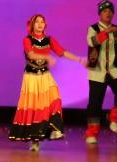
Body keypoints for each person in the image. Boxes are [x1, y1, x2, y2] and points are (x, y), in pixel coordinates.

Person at [10, 14, 84, 151]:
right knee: (35, 107)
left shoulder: (49, 40)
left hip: (45, 75)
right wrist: (47, 57)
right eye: (37, 22)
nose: (40, 24)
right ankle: (35, 140)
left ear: (45, 25)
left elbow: (62, 52)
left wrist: (79, 60)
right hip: (31, 77)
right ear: (32, 25)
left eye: (42, 22)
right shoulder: (27, 39)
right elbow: (31, 54)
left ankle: (54, 128)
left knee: (55, 98)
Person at [84, 0, 117, 144]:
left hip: (113, 69)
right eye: (105, 11)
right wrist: (106, 32)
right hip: (97, 71)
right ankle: (92, 133)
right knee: (95, 103)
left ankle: (114, 118)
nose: (108, 13)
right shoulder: (93, 28)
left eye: (110, 11)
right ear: (100, 14)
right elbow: (92, 41)